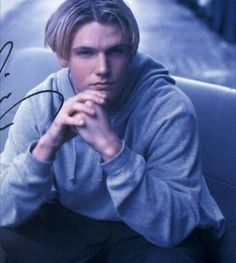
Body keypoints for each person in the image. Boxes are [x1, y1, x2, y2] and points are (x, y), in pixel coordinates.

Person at [0, 0, 225, 262]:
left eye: (115, 51)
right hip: (71, 226)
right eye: (86, 53)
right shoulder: (42, 102)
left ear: (130, 52)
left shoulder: (169, 108)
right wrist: (47, 146)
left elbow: (174, 227)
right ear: (64, 57)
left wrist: (113, 151)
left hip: (148, 236)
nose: (103, 69)